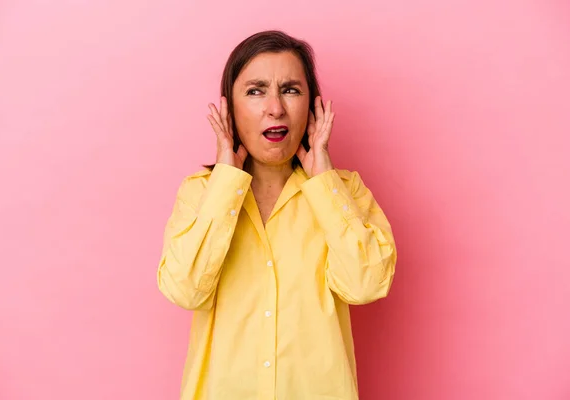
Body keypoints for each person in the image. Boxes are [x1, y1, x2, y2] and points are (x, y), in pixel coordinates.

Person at [157, 30, 397, 400]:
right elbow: (185, 291)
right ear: (230, 107)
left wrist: (323, 182)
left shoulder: (344, 192)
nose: (275, 108)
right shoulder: (201, 193)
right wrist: (225, 183)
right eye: (255, 91)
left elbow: (365, 286)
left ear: (312, 106)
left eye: (290, 89)